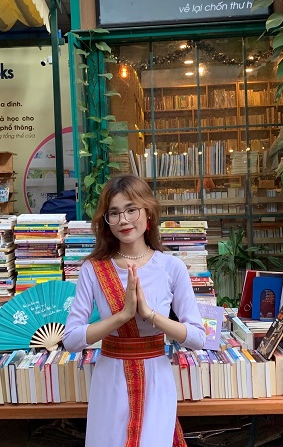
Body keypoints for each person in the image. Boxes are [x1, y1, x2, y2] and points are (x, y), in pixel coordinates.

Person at [63, 174, 206, 447]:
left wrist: (150, 315)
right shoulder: (93, 269)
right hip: (110, 380)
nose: (124, 220)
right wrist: (123, 315)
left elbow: (198, 337)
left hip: (156, 379)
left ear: (148, 212)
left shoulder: (171, 267)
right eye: (114, 213)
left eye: (131, 210)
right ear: (106, 221)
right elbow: (70, 340)